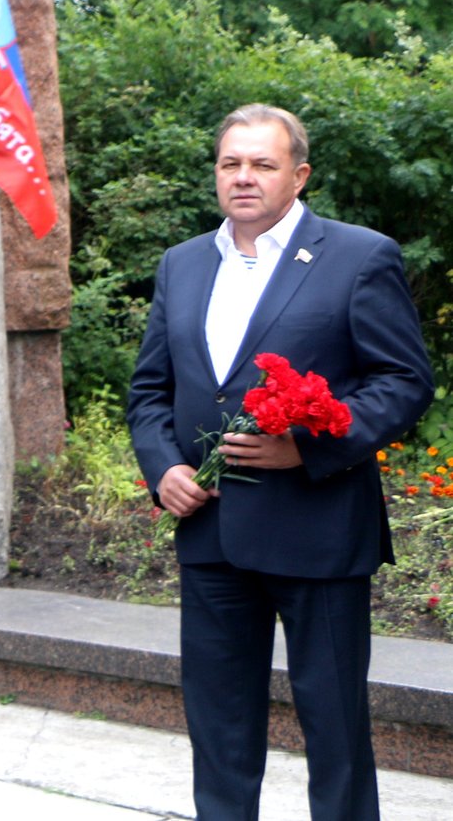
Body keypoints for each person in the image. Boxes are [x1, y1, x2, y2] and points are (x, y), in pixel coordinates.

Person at [127, 104, 433, 821]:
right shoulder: (183, 263)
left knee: (335, 728)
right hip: (211, 537)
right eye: (231, 163)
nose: (244, 178)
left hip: (319, 531)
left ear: (299, 175)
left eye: (262, 164)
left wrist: (309, 446)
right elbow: (150, 390)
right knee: (218, 726)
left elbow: (404, 382)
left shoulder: (360, 255)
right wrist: (163, 467)